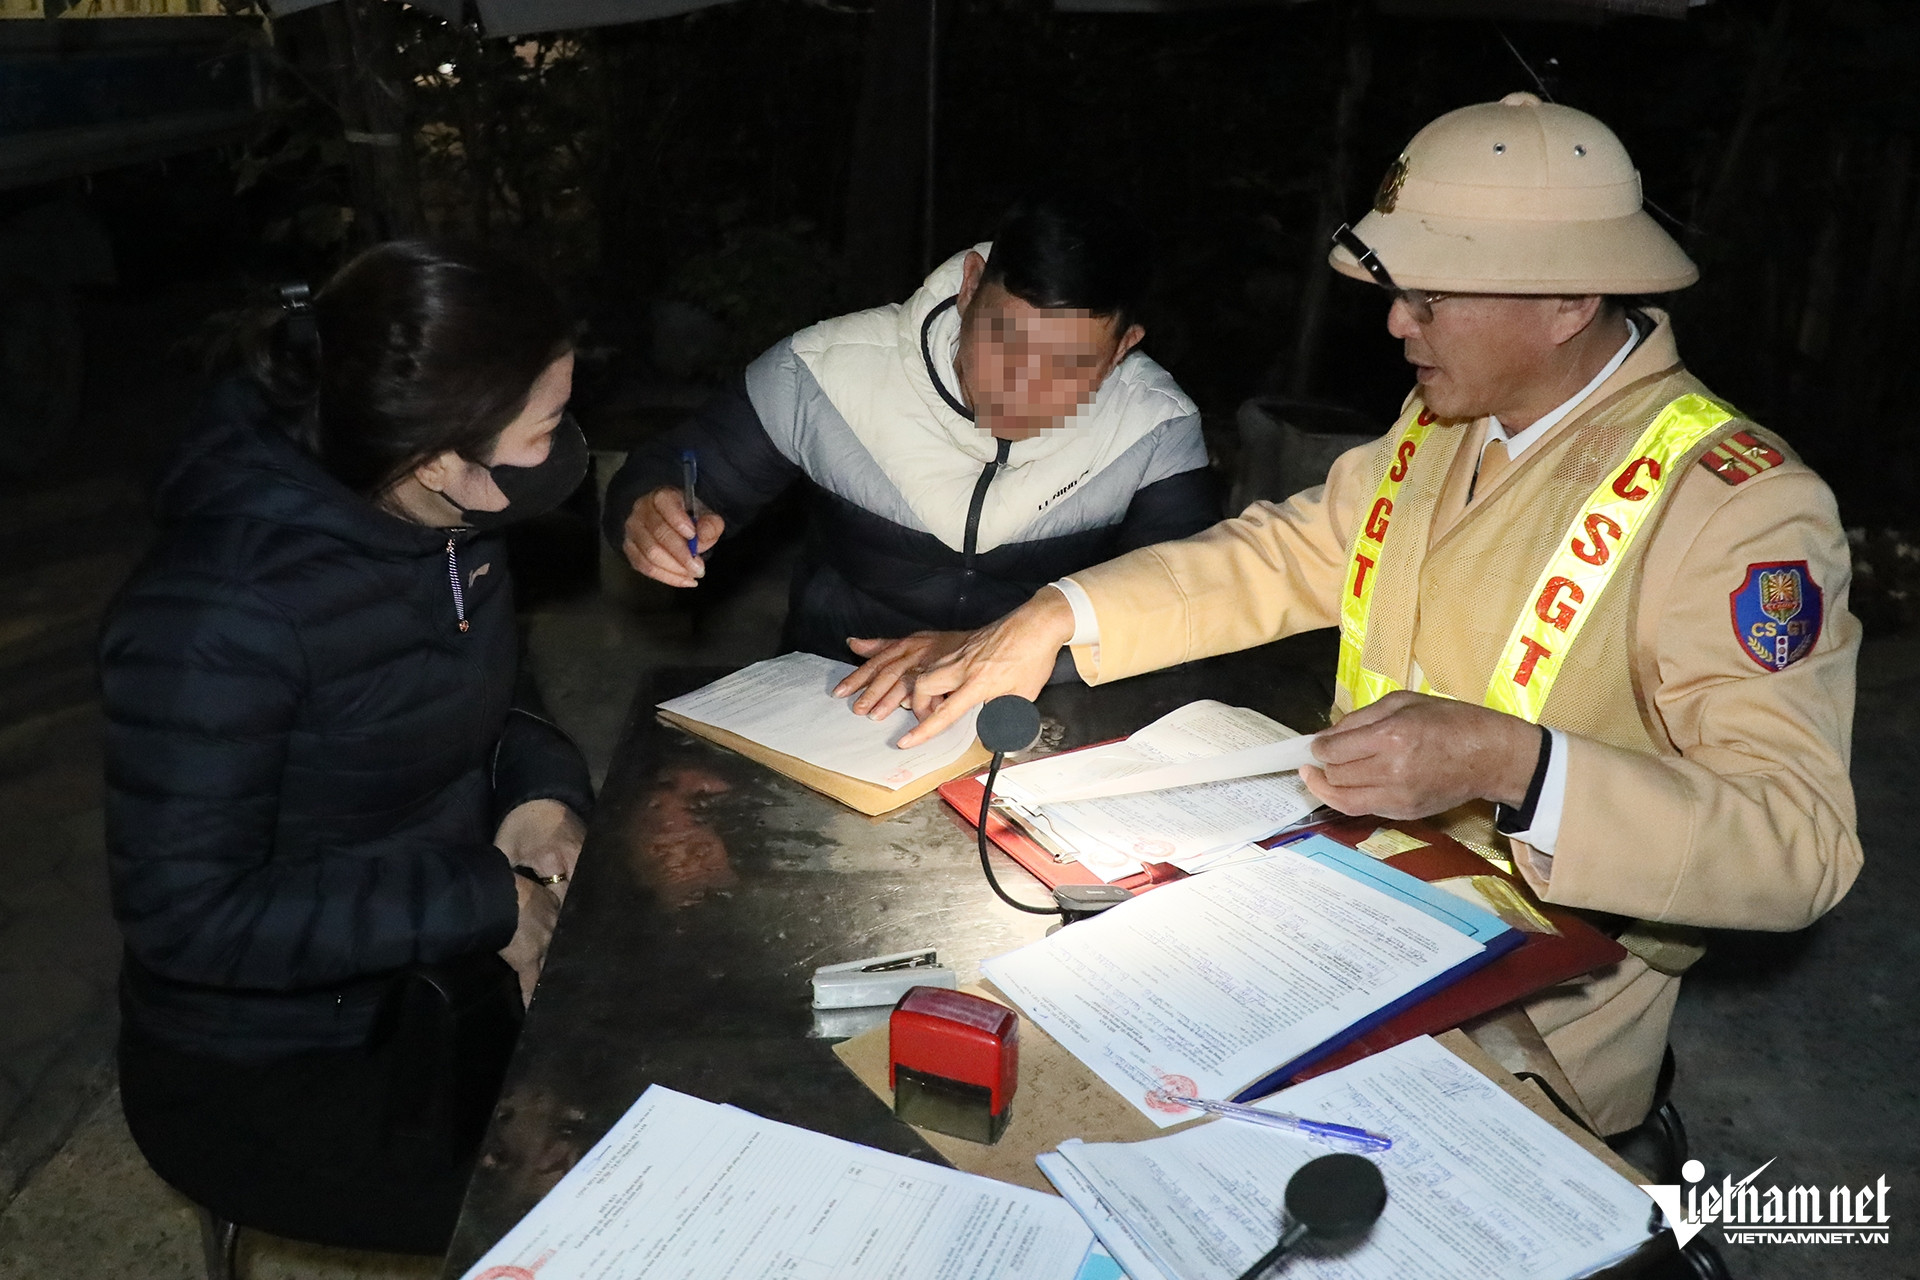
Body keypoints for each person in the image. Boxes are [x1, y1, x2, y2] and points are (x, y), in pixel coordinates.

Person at [842, 94, 1862, 1136]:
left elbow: (1800, 844)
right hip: (1336, 920)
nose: (1395, 323)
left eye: (1429, 296)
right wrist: (1055, 614)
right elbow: (1288, 552)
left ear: (1567, 299)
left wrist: (1516, 765)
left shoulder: (1734, 506)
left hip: (1538, 1029)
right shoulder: (1450, 414)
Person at [100, 241, 596, 1254]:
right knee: (601, 1214)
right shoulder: (216, 617)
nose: (565, 446)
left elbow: (484, 686)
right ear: (439, 458)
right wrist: (488, 901)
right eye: (546, 426)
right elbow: (189, 918)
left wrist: (536, 794)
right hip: (276, 1064)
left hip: (437, 975)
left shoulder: (448, 516)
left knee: (680, 1082)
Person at [603, 192, 1218, 709]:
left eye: (1068, 366)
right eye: (1004, 340)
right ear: (971, 286)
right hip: (833, 694)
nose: (1021, 387)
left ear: (1122, 348)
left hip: (1038, 709)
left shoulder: (1155, 425)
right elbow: (669, 472)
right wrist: (648, 513)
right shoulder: (820, 371)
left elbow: (1183, 607)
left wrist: (991, 652)